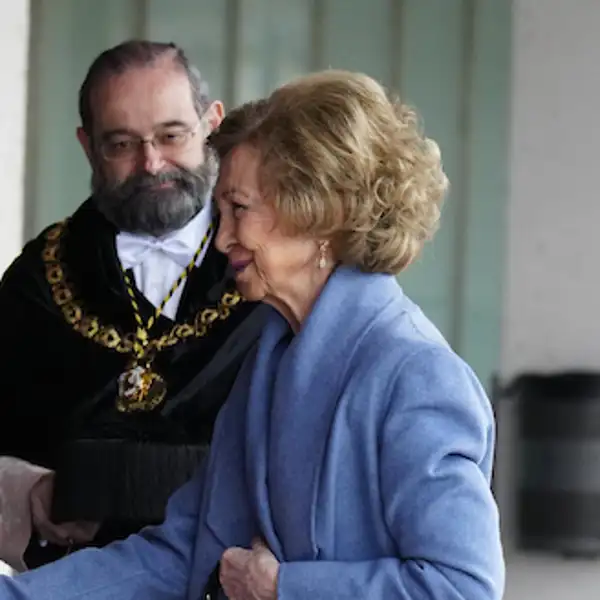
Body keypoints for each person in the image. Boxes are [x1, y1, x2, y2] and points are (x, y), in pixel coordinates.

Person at [0, 70, 505, 599]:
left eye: (238, 210)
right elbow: (185, 550)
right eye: (219, 212)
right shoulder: (269, 359)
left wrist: (284, 587)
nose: (221, 240)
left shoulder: (417, 378)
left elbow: (462, 587)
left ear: (319, 216)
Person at [0, 40, 265, 571]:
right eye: (121, 144)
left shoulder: (271, 262)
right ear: (87, 146)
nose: (151, 164)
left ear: (211, 123)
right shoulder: (38, 278)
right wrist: (31, 492)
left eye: (172, 136)